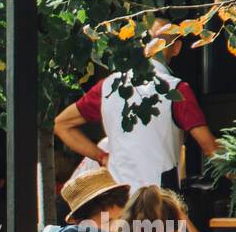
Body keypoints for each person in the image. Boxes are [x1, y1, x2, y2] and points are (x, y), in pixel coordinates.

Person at [54, 14, 219, 195]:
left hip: (119, 197)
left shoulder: (108, 86)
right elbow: (209, 147)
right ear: (176, 48)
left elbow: (62, 124)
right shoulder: (176, 89)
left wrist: (102, 157)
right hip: (159, 199)